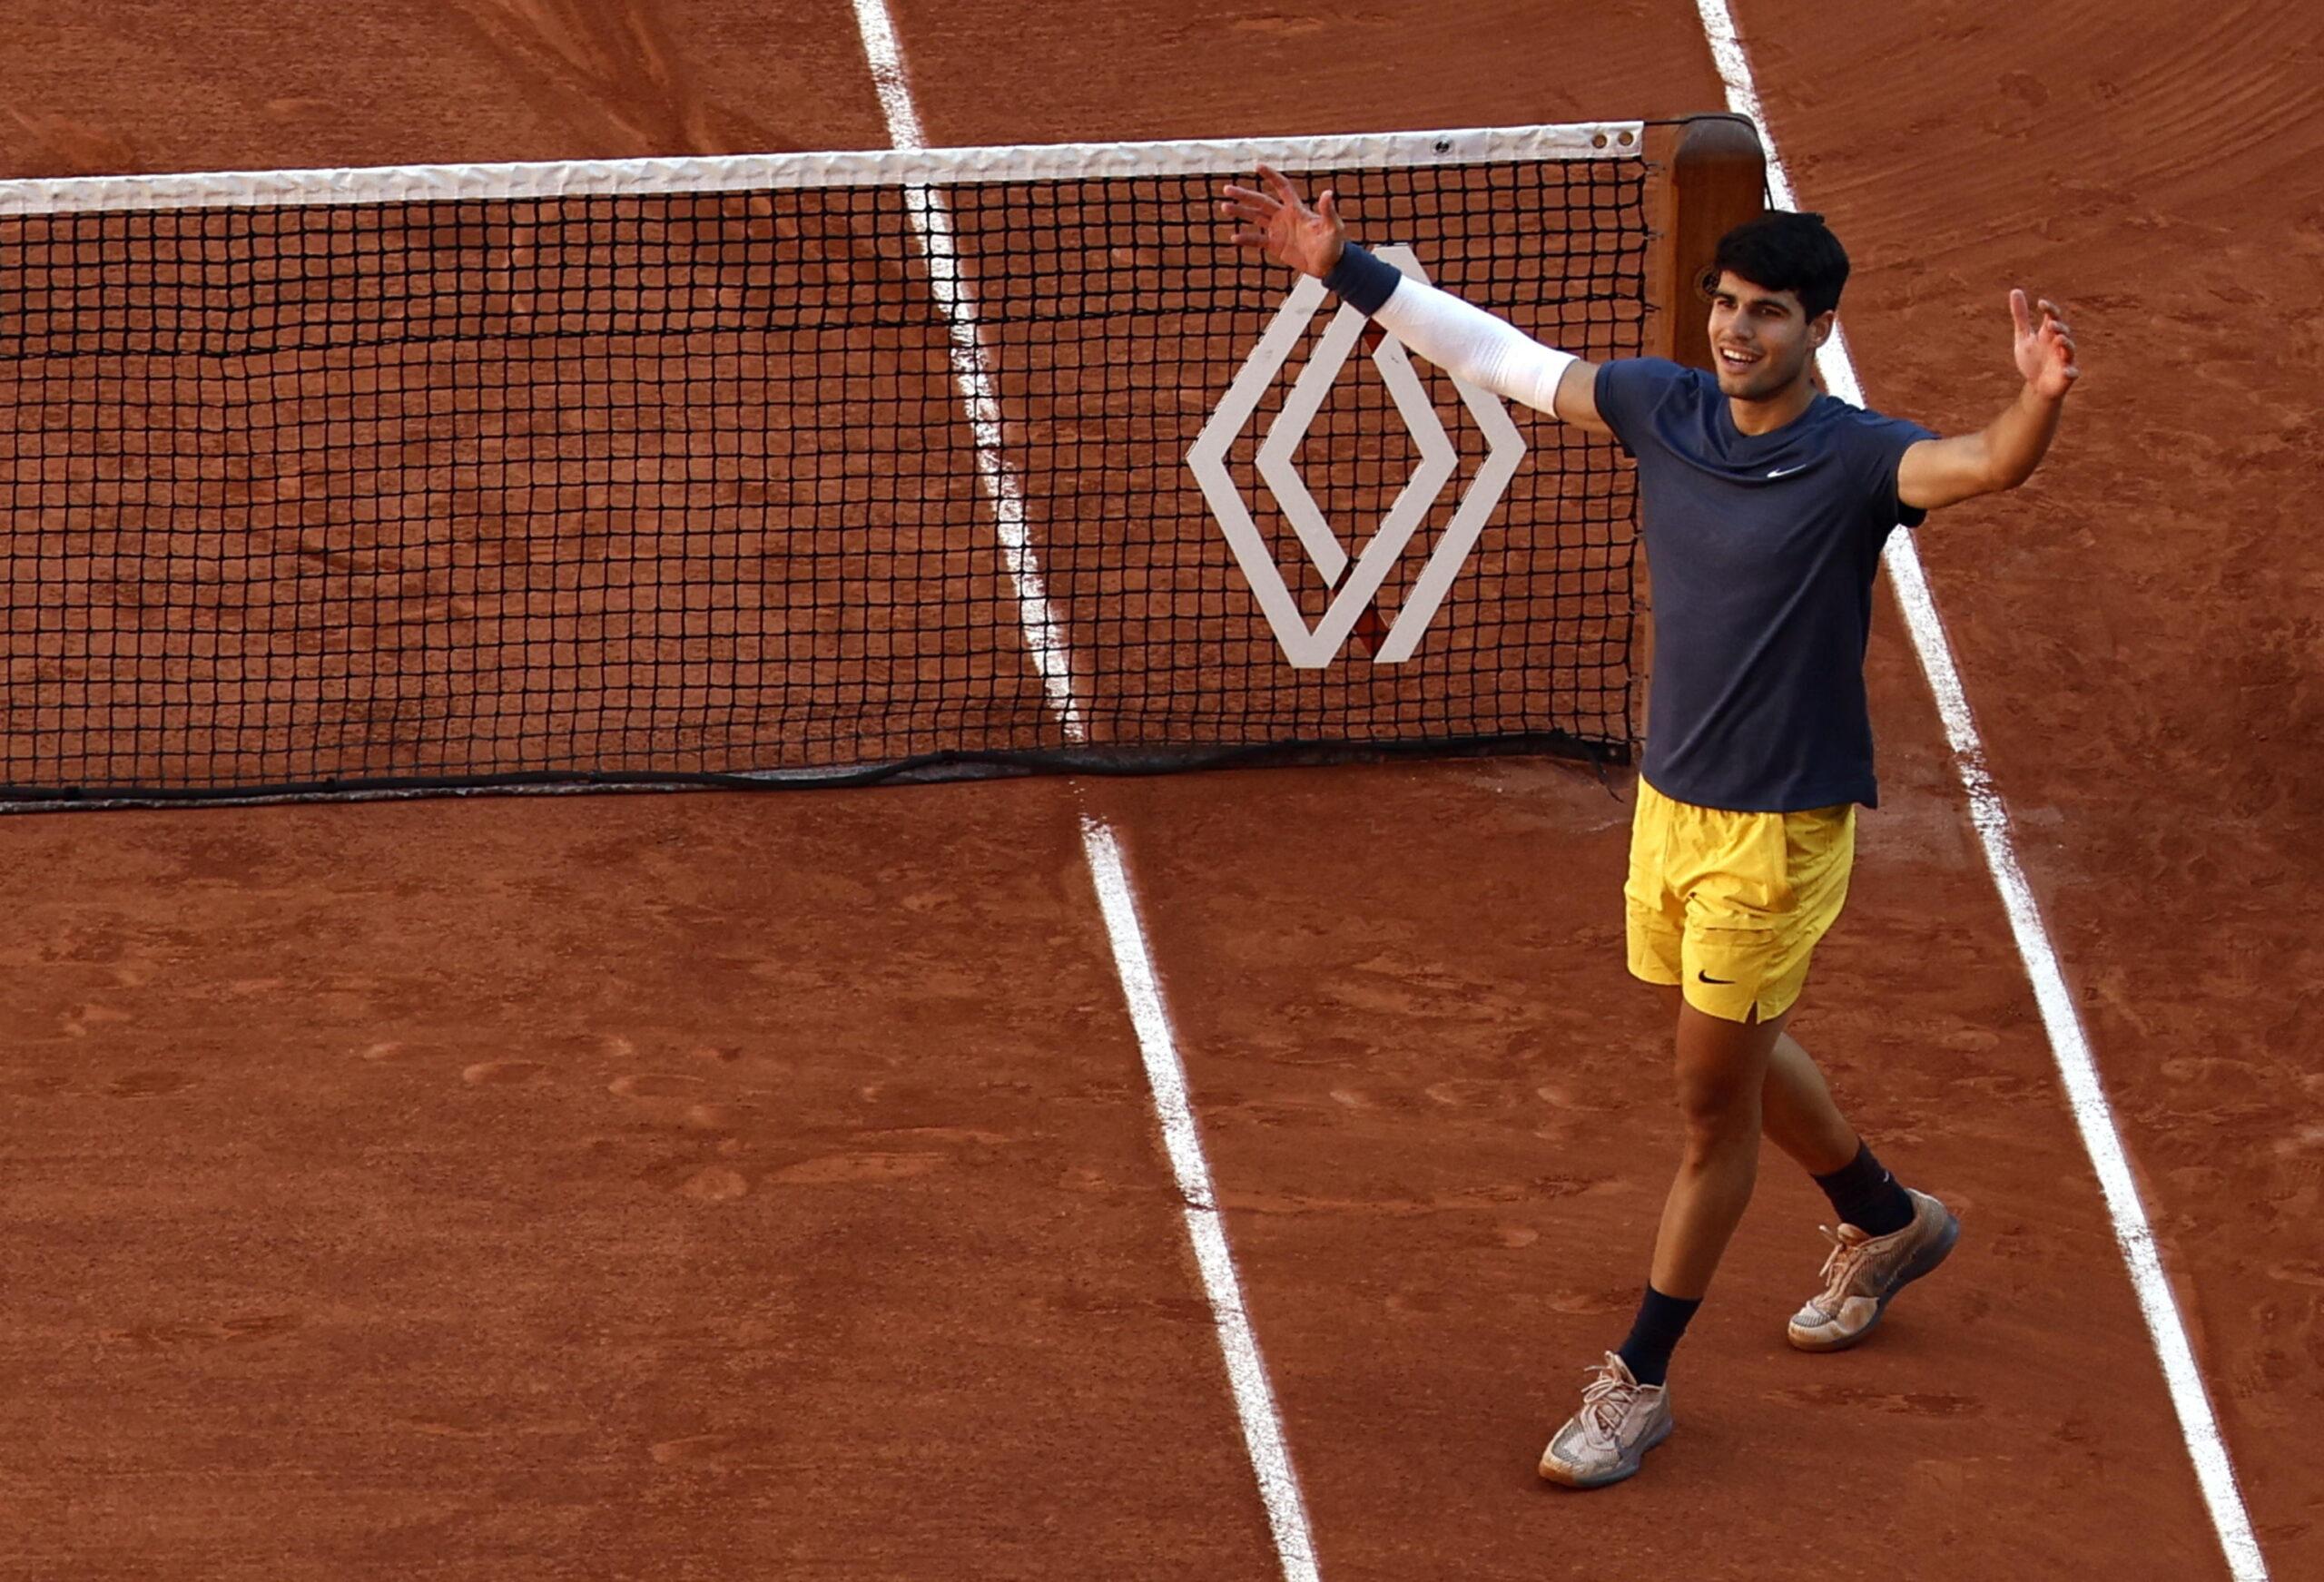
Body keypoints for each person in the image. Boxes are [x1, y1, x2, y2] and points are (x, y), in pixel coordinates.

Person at [1219, 165, 2078, 1489]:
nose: (1737, 331)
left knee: (1702, 1105)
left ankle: (1640, 1381)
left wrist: (2035, 401)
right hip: (1672, 809)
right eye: (1727, 304)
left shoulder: (1858, 461)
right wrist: (1344, 266)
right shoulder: (1662, 407)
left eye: (1769, 313)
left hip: (1777, 836)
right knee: (1731, 1051)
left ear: (1817, 330)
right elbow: (1500, 358)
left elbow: (1982, 465)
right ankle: (1885, 1219)